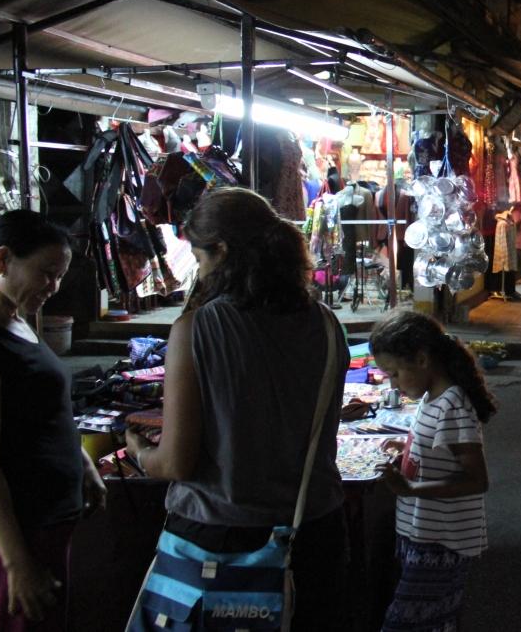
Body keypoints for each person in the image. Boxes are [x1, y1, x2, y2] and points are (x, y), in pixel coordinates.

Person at [125, 188, 349, 630]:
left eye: (200, 258)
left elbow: (175, 462)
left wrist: (139, 452)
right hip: (314, 533)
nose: (200, 271)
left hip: (223, 542)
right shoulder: (326, 323)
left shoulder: (196, 328)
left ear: (222, 251)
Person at [0, 211, 105, 631]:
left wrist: (83, 462)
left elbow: (41, 409)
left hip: (50, 519)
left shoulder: (17, 320)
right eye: (45, 273)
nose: (53, 287)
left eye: (59, 276)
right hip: (22, 529)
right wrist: (16, 563)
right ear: (4, 260)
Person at [370, 310, 494, 632]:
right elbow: (439, 451)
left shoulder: (452, 405)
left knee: (405, 623)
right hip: (421, 534)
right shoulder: (431, 398)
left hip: (441, 542)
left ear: (422, 360)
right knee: (433, 621)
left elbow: (476, 479)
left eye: (395, 373)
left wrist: (410, 489)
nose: (393, 383)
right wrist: (406, 448)